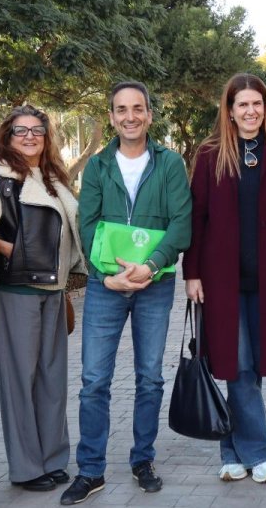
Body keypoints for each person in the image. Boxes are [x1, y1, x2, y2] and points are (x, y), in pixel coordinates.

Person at [62, 81, 192, 504]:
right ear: (112, 116)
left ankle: (143, 460)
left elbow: (181, 223)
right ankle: (90, 471)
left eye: (138, 108)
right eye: (122, 109)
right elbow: (87, 224)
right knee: (93, 381)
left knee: (149, 377)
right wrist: (107, 276)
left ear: (149, 115)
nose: (130, 116)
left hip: (156, 285)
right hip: (106, 287)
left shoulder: (169, 164)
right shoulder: (98, 166)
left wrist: (151, 266)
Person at [182, 73, 266, 485]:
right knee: (237, 366)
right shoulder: (210, 153)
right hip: (221, 281)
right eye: (243, 105)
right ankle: (259, 452)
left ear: (265, 108)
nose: (251, 111)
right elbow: (197, 218)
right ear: (230, 111)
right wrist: (191, 273)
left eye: (257, 104)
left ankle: (232, 452)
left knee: (254, 365)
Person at [0, 106, 85, 492]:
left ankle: (53, 458)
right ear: (7, 137)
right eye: (20, 130)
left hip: (54, 289)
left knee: (52, 378)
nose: (29, 137)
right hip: (16, 288)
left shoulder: (53, 176)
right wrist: (13, 251)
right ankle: (26, 468)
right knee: (19, 382)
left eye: (37, 130)